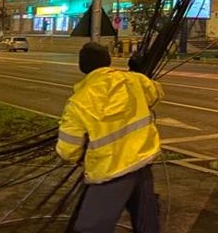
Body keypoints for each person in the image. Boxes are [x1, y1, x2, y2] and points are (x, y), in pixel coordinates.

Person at [57, 42, 163, 233]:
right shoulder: (132, 81)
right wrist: (139, 74)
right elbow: (156, 93)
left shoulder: (79, 101)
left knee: (89, 227)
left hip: (111, 171)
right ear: (108, 61)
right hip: (142, 163)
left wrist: (78, 156)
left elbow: (68, 149)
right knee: (147, 223)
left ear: (82, 66)